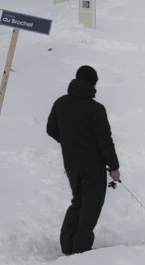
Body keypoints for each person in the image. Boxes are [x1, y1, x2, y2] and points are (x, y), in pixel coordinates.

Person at [45, 65, 119, 255]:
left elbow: (51, 129)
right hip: (93, 166)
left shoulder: (60, 103)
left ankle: (67, 244)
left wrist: (70, 143)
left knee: (78, 201)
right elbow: (105, 140)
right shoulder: (96, 109)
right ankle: (80, 250)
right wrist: (114, 166)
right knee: (91, 206)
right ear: (93, 83)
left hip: (71, 164)